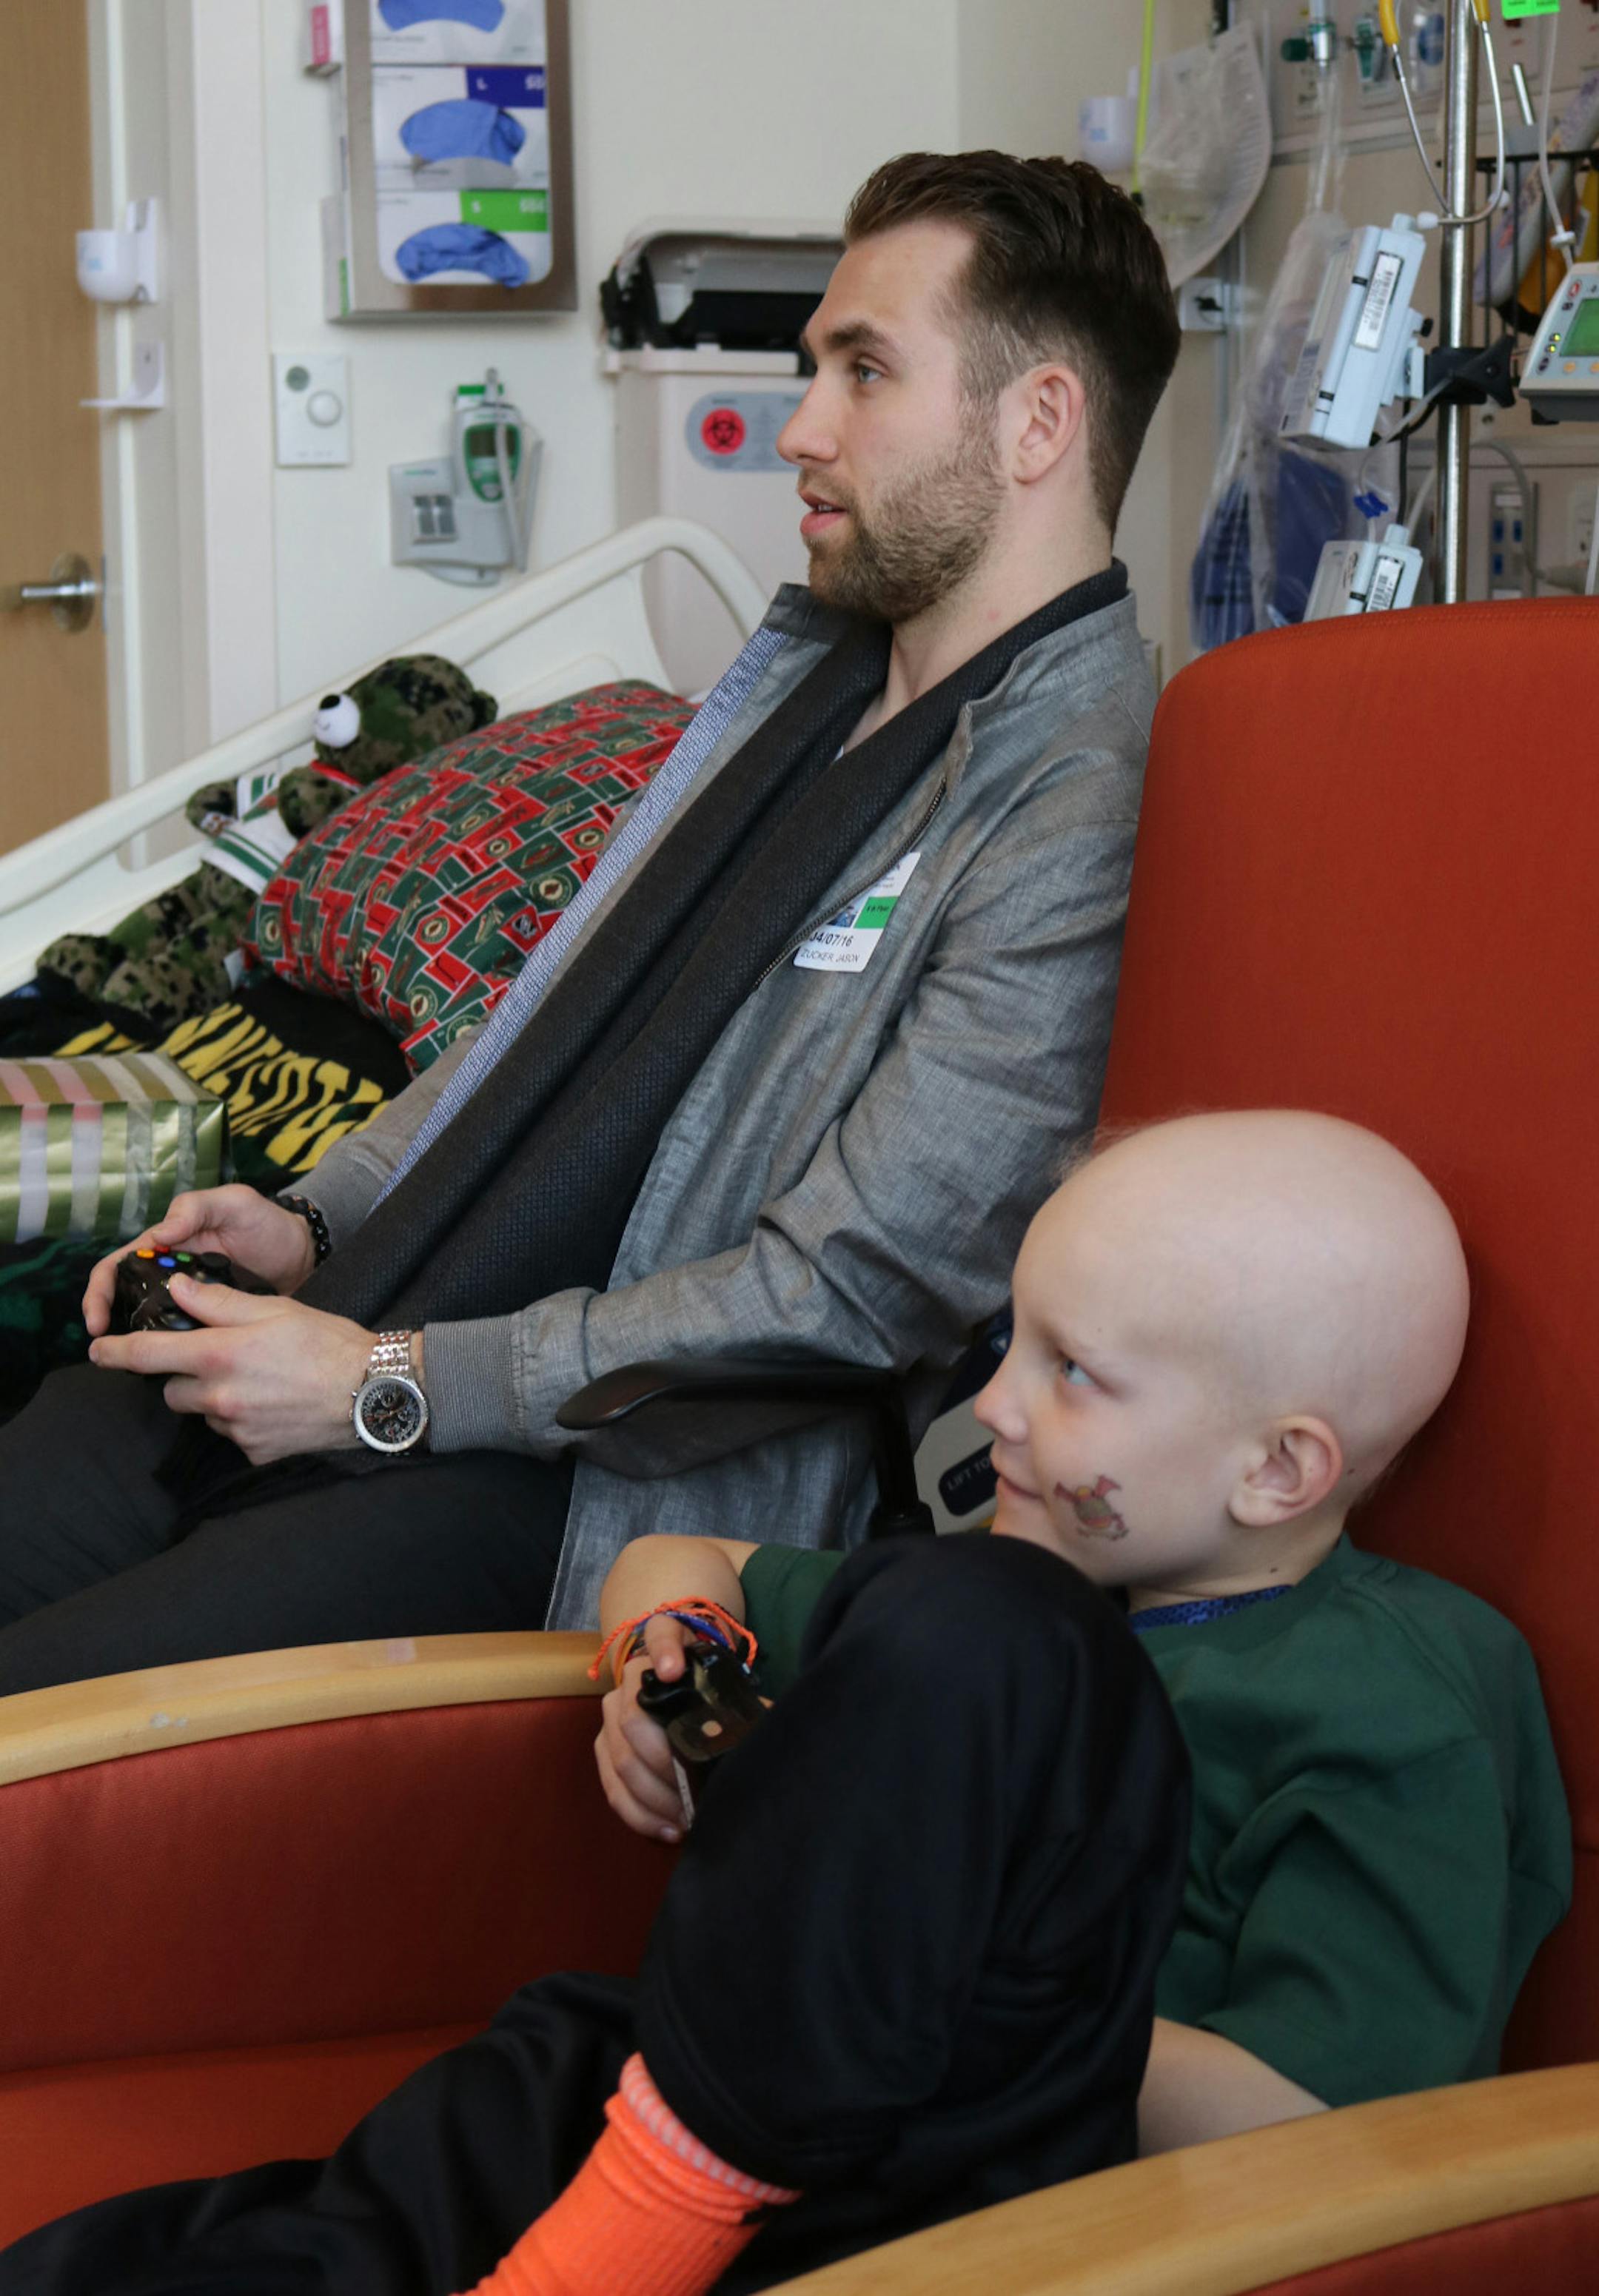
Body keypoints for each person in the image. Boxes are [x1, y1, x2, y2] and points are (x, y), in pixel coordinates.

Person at [1, 1112, 1569, 2296]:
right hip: (708, 2071)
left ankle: (635, 2222)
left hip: (1033, 2185)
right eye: (1007, 1344)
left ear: (1278, 1465)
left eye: (1074, 1376)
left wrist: (924, 1946)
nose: (993, 1413)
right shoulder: (1024, 1593)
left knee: (978, 1616)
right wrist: (670, 1656)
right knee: (456, 2121)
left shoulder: (1401, 1693)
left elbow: (1333, 2132)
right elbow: (689, 1557)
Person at [0, 151, 1181, 1691]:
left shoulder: (1074, 805)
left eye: (864, 372)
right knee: (60, 1448)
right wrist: (317, 1217)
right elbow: (551, 1019)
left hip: (584, 1479)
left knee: (47, 1744)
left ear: (1038, 423)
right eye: (811, 368)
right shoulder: (807, 685)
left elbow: (844, 1293)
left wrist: (384, 1386)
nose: (801, 430)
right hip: (375, 1331)